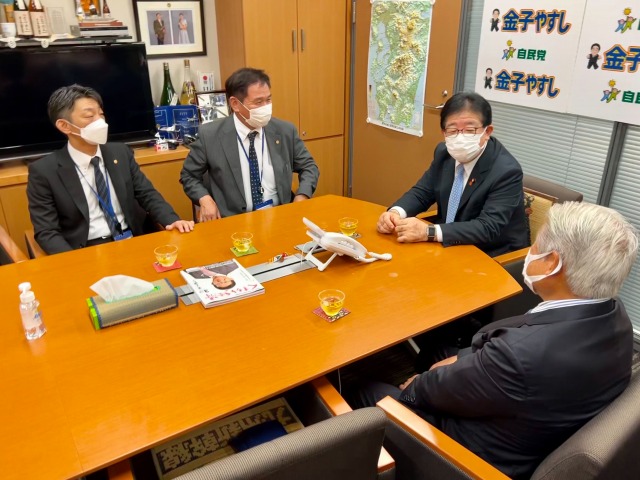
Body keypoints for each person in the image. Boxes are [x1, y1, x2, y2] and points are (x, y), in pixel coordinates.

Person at [352, 201, 638, 479]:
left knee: (367, 389)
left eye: (536, 246)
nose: (531, 251)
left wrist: (415, 386)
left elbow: (438, 388)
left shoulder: (520, 354)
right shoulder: (617, 317)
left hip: (471, 455)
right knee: (438, 348)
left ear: (551, 263)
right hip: (531, 420)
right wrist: (457, 363)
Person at [27, 84, 194, 255]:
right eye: (89, 116)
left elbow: (147, 194)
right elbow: (47, 232)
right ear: (64, 126)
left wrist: (172, 220)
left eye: (101, 114)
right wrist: (75, 261)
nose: (100, 122)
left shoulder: (120, 152)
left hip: (132, 240)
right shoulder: (44, 171)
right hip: (86, 250)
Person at [377, 92, 528, 258]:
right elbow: (422, 193)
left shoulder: (506, 171)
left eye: (470, 130)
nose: (460, 137)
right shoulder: (444, 153)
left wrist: (429, 232)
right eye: (453, 130)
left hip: (492, 254)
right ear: (444, 132)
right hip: (448, 242)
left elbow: (487, 227)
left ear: (487, 131)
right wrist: (396, 213)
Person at [180, 67, 319, 220]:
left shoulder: (285, 131)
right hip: (234, 221)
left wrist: (302, 195)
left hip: (280, 215)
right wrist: (205, 199)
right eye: (258, 102)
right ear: (235, 104)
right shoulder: (210, 135)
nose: (265, 107)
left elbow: (309, 167)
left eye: (268, 100)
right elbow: (189, 176)